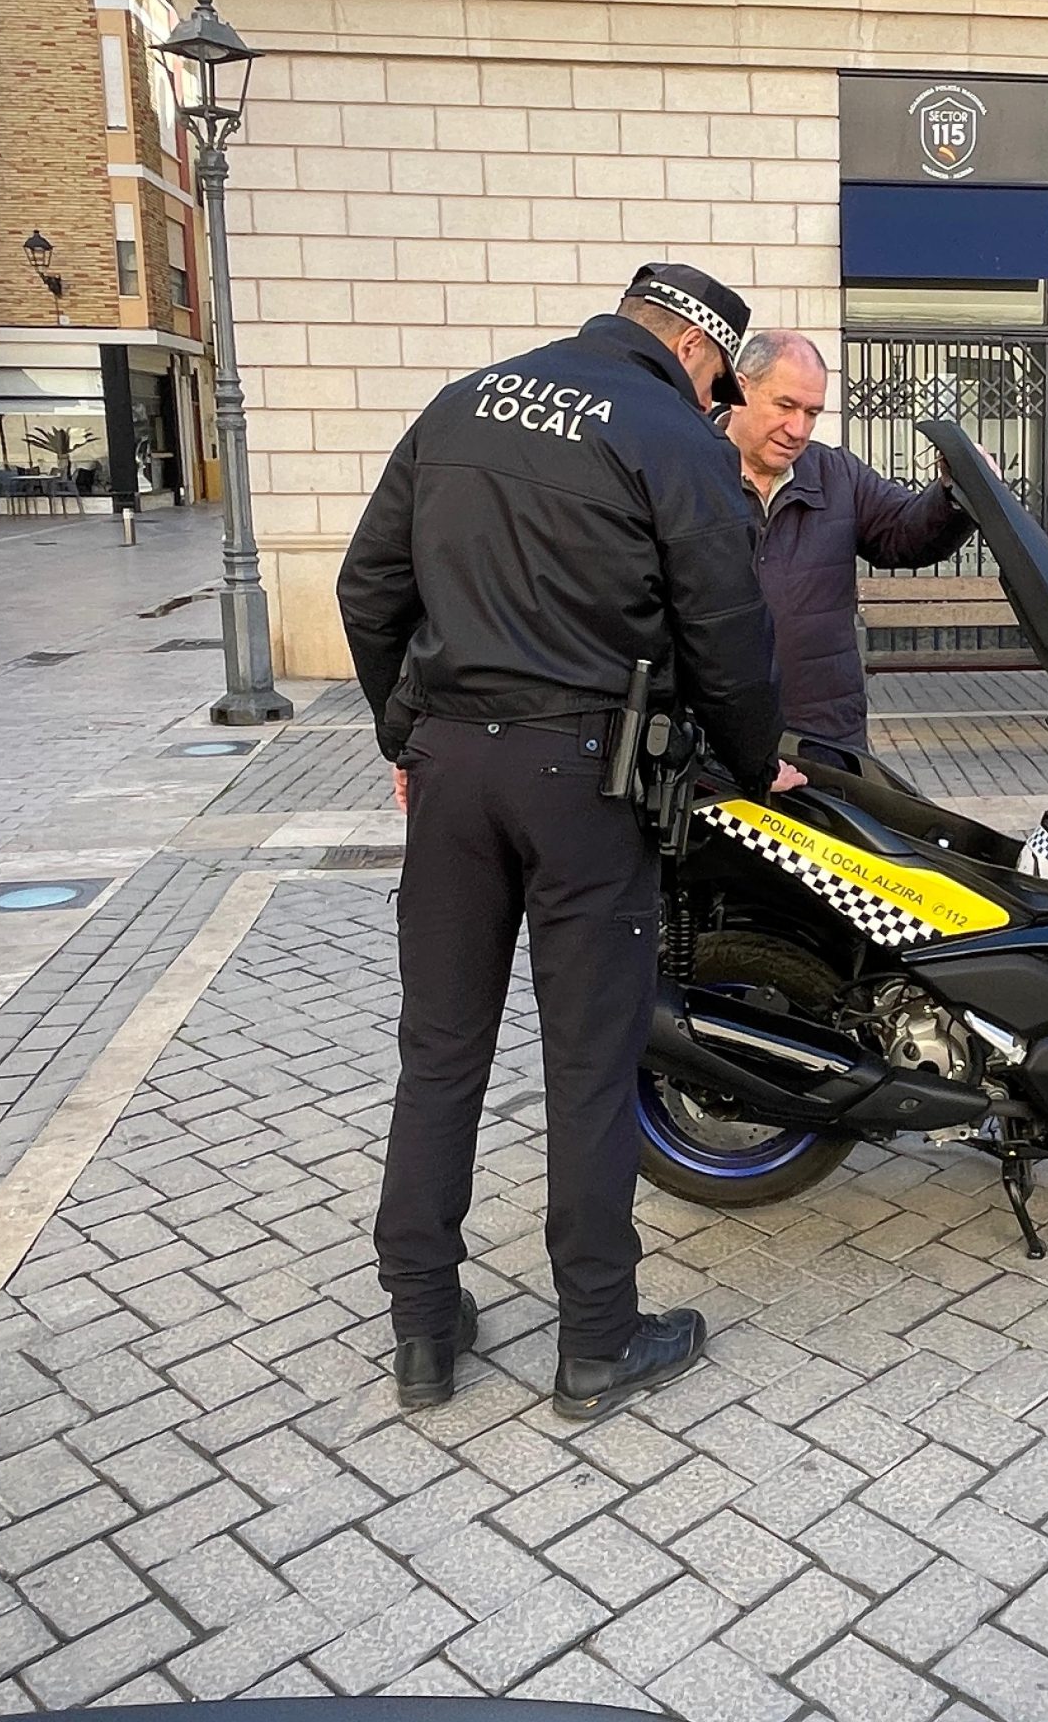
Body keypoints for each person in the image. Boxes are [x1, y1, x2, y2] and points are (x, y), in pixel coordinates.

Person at [337, 262, 804, 1418]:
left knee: (439, 1054)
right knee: (590, 1064)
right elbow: (726, 632)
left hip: (453, 772)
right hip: (585, 779)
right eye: (720, 384)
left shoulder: (462, 402)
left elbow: (368, 588)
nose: (715, 403)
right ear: (695, 350)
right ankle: (596, 1340)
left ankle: (422, 1331)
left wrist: (410, 735)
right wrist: (755, 764)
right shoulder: (675, 438)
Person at [720, 330, 974, 751]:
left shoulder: (837, 475)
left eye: (812, 412)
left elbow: (905, 532)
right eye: (785, 406)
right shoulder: (687, 472)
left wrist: (953, 492)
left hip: (824, 738)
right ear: (740, 390)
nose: (798, 429)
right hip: (717, 743)